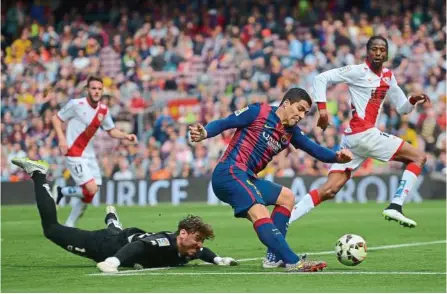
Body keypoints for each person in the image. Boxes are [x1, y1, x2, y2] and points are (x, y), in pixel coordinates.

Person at [189, 87, 353, 271]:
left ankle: (273, 258)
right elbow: (226, 122)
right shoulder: (259, 111)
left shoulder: (291, 132)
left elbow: (315, 149)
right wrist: (205, 132)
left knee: (287, 197)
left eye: (305, 113)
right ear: (286, 103)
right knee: (260, 212)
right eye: (299, 109)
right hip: (229, 172)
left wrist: (337, 157)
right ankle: (294, 262)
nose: (301, 115)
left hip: (247, 177)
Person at [289, 36, 430, 228]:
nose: (378, 53)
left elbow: (402, 109)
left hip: (355, 140)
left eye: (382, 49)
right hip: (363, 134)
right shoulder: (357, 71)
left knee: (329, 190)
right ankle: (396, 205)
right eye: (374, 49)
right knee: (418, 157)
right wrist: (323, 111)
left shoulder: (388, 76)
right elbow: (321, 78)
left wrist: (412, 100)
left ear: (387, 53)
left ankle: (284, 221)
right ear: (367, 51)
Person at [10, 157, 239, 273]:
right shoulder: (163, 244)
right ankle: (39, 174)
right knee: (51, 229)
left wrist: (218, 259)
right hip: (105, 245)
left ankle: (113, 222)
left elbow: (201, 252)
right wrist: (113, 261)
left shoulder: (187, 247)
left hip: (126, 236)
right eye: (197, 239)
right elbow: (138, 249)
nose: (199, 246)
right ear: (182, 233)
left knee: (119, 231)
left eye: (200, 241)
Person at [52, 76, 138, 227]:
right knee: (90, 188)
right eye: (93, 88)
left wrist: (126, 136)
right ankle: (64, 194)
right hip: (74, 153)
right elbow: (56, 119)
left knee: (92, 192)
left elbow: (111, 130)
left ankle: (68, 221)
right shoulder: (76, 104)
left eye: (99, 89)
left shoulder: (103, 110)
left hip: (89, 155)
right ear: (87, 90)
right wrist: (61, 139)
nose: (96, 91)